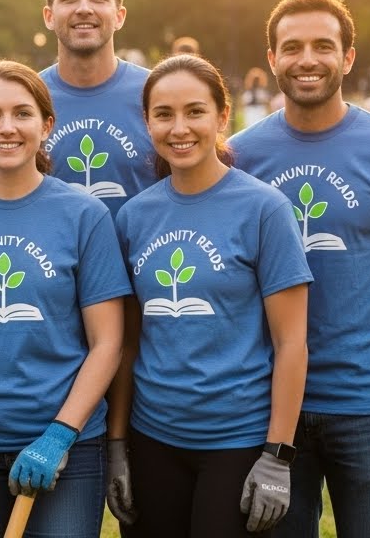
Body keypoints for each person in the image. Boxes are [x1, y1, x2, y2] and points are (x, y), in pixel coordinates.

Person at [230, 0, 370, 537]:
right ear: (273, 57)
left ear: (348, 57)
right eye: (293, 47)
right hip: (268, 406)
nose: (308, 59)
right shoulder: (239, 156)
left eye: (323, 46)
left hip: (367, 404)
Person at [0, 60, 129, 538]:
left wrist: (59, 436)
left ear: (46, 124)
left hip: (69, 448)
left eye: (21, 113)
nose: (6, 127)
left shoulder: (85, 215)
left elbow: (108, 342)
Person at [109, 54, 310, 537]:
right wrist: (117, 446)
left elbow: (292, 344)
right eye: (164, 114)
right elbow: (127, 344)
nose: (180, 128)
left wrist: (277, 455)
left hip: (237, 443)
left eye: (195, 111)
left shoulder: (265, 210)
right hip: (151, 438)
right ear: (148, 122)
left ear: (223, 116)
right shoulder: (134, 218)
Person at [39, 0, 155, 219]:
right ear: (49, 16)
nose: (83, 8)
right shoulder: (26, 99)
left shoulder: (156, 95)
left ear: (119, 16)